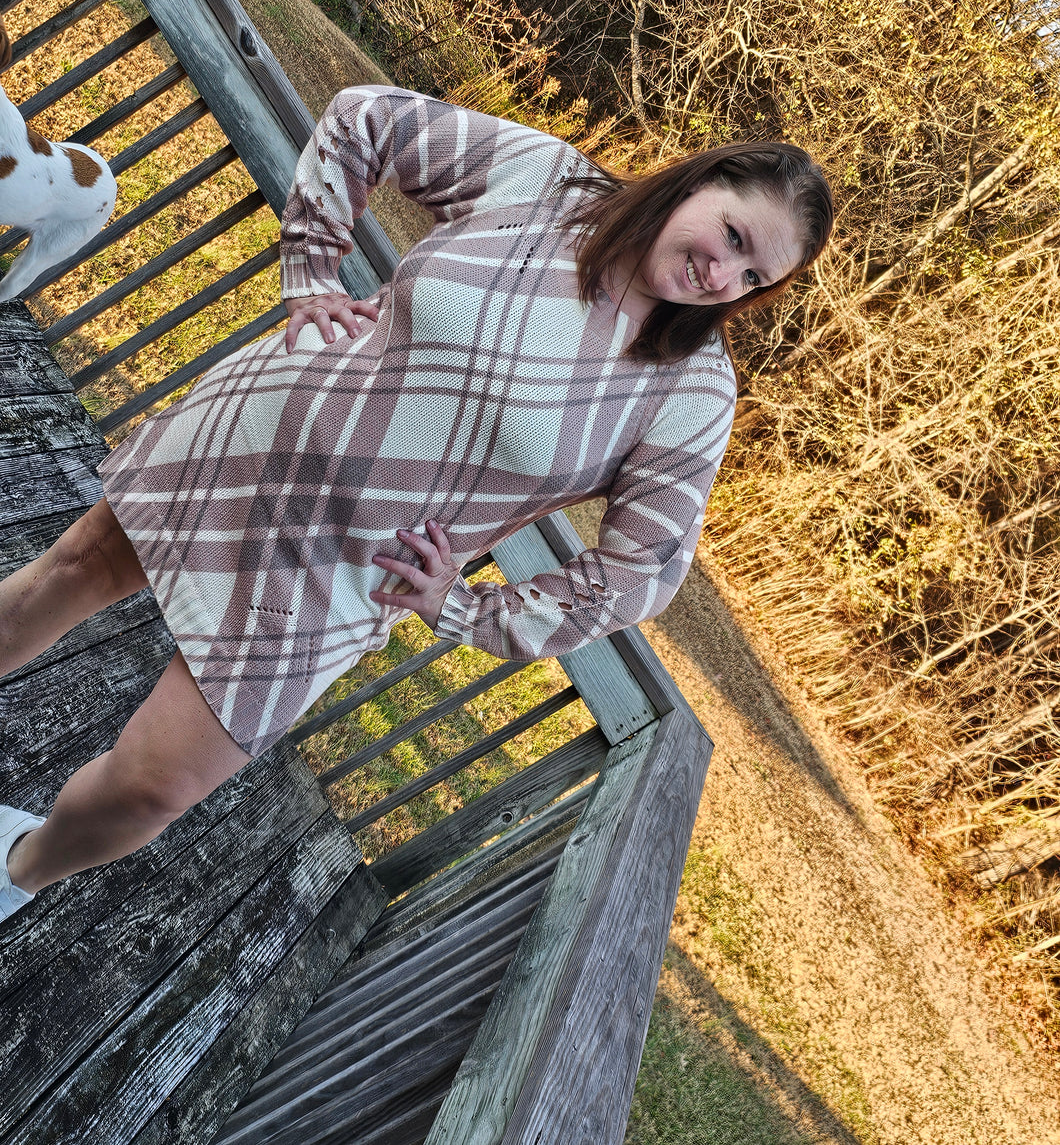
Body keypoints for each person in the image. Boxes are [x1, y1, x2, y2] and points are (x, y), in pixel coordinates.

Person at [0, 85, 832, 921]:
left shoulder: (691, 391)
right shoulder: (548, 183)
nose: (719, 274)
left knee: (154, 783)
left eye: (752, 274)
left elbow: (638, 574)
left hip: (338, 580)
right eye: (731, 234)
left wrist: (467, 611)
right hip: (253, 437)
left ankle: (17, 867)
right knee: (66, 572)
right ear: (700, 181)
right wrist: (310, 268)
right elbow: (367, 119)